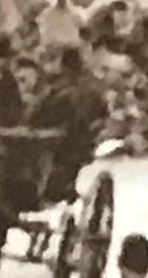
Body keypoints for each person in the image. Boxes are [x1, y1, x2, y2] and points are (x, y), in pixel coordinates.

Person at [33, 43, 109, 203]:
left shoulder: (56, 88)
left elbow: (38, 114)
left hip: (57, 142)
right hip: (79, 142)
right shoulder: (93, 87)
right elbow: (103, 115)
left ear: (63, 65)